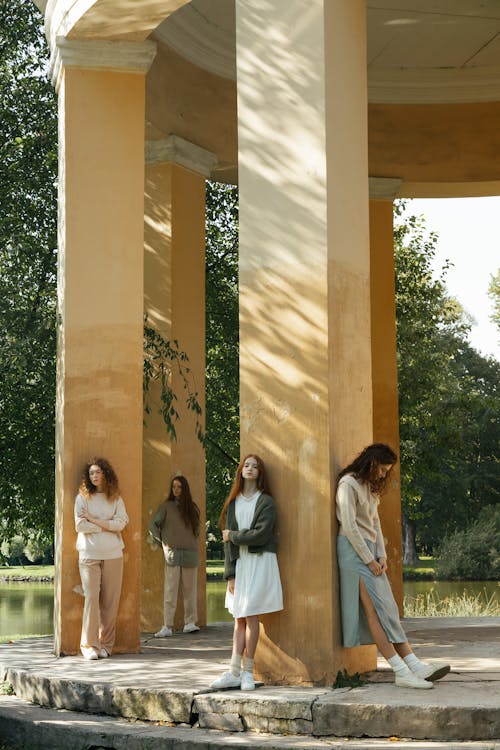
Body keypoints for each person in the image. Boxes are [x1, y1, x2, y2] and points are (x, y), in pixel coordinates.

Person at [336, 443, 450, 689]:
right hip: (353, 552)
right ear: (371, 462)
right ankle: (400, 670)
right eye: (382, 469)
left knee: (387, 608)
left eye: (387, 471)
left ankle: (412, 663)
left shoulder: (369, 487)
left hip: (370, 552)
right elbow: (349, 525)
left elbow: (374, 523)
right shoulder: (348, 484)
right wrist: (368, 558)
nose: (383, 475)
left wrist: (382, 555)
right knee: (375, 611)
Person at [210, 454, 283, 691]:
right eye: (246, 465)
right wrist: (230, 574)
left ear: (260, 473)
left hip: (260, 562)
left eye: (255, 466)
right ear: (241, 471)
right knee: (238, 618)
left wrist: (234, 535)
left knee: (251, 615)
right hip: (241, 564)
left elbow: (260, 535)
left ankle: (248, 672)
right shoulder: (233, 502)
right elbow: (227, 543)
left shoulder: (266, 502)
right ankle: (233, 671)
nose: (250, 469)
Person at [74, 457, 129, 661]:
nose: (94, 476)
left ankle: (106, 644)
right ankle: (89, 645)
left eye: (97, 472)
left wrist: (94, 521)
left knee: (110, 602)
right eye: (91, 473)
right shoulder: (82, 498)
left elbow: (121, 523)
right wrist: (107, 525)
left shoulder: (115, 498)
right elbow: (80, 526)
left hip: (114, 554)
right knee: (91, 598)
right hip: (89, 555)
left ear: (105, 474)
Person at [149, 475, 201, 637]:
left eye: (179, 487)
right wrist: (162, 543)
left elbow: (197, 530)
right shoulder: (166, 507)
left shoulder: (192, 508)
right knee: (170, 590)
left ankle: (190, 623)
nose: (176, 490)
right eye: (174, 487)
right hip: (172, 553)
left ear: (184, 488)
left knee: (190, 591)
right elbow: (153, 526)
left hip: (190, 552)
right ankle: (167, 626)